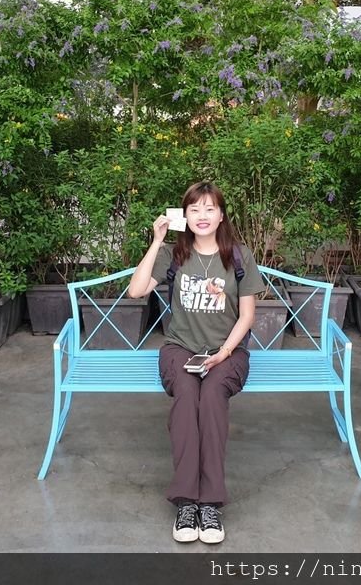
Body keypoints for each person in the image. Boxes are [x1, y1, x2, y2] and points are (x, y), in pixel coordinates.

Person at [127, 181, 263, 544]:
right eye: (194, 209)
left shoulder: (238, 256)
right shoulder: (174, 254)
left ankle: (211, 505)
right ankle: (187, 502)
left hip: (228, 352)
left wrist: (223, 354)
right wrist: (156, 241)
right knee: (187, 396)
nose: (202, 216)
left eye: (209, 209)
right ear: (183, 216)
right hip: (180, 349)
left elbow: (247, 317)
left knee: (213, 395)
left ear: (221, 215)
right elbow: (136, 290)